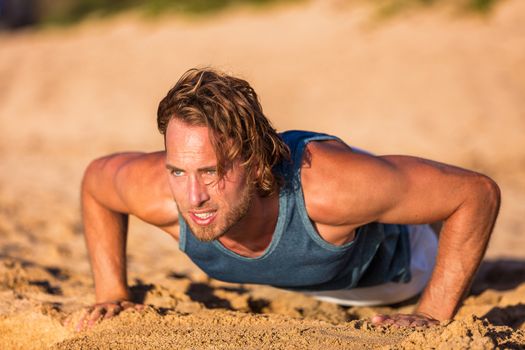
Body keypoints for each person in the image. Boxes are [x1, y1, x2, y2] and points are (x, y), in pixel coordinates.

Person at [76, 68, 500, 331]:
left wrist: (433, 314)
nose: (192, 198)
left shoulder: (329, 189)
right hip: (307, 275)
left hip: (393, 278)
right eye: (178, 170)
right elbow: (97, 183)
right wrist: (111, 290)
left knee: (397, 201)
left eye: (211, 172)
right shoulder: (160, 191)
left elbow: (475, 194)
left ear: (256, 165)